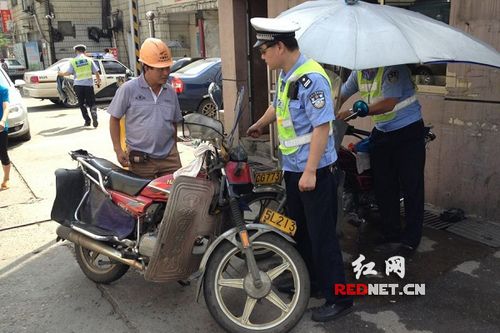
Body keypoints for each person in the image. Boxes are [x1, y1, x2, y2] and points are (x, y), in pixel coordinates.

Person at [247, 17, 353, 322]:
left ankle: (339, 297)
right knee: (299, 231)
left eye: (264, 49)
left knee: (322, 236)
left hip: (314, 171)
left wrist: (309, 172)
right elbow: (277, 107)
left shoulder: (311, 78)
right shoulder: (286, 75)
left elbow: (322, 128)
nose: (262, 55)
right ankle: (311, 282)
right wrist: (259, 124)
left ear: (280, 47)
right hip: (294, 168)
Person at [337, 66, 425, 254]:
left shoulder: (393, 69)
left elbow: (388, 103)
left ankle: (411, 239)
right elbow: (341, 94)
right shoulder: (359, 72)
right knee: (384, 185)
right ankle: (391, 233)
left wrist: (354, 110)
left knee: (412, 187)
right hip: (383, 132)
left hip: (407, 132)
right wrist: (326, 110)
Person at [108, 38, 182, 179]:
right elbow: (114, 119)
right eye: (161, 69)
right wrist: (118, 150)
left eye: (167, 68)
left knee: (177, 195)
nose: (166, 73)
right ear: (146, 67)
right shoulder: (128, 90)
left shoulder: (170, 92)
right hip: (141, 159)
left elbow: (173, 123)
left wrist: (175, 149)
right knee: (144, 198)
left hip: (169, 158)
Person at [58, 44, 101, 128]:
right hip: (88, 85)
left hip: (78, 85)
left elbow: (68, 73)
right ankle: (94, 114)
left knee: (82, 104)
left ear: (76, 51)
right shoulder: (89, 60)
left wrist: (61, 74)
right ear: (84, 51)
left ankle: (87, 121)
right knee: (91, 103)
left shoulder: (73, 61)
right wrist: (98, 82)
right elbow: (96, 72)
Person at [0, 83, 11, 190]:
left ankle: (6, 179)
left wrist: (3, 120)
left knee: (3, 154)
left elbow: (6, 106)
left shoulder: (2, 89)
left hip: (1, 127)